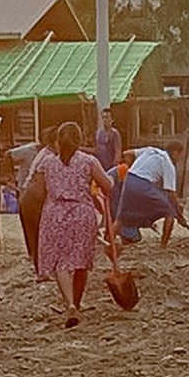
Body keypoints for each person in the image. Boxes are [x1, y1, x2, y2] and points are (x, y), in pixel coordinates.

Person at [35, 122, 116, 328]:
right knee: (80, 261)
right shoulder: (88, 161)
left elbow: (39, 191)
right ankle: (76, 305)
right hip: (81, 213)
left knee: (61, 262)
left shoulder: (47, 163)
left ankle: (69, 304)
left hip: (55, 213)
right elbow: (108, 185)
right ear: (80, 139)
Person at [113, 142, 189, 245]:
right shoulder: (168, 164)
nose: (178, 159)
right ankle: (163, 245)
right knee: (170, 212)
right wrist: (179, 215)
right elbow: (171, 194)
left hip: (129, 179)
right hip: (143, 184)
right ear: (175, 153)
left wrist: (135, 167)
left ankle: (108, 240)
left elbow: (127, 153)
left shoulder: (150, 150)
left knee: (121, 217)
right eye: (179, 156)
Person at [18, 127, 58, 280]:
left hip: (30, 195)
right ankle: (43, 271)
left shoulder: (48, 154)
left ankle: (43, 270)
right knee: (39, 235)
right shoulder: (49, 157)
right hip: (33, 197)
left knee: (37, 235)